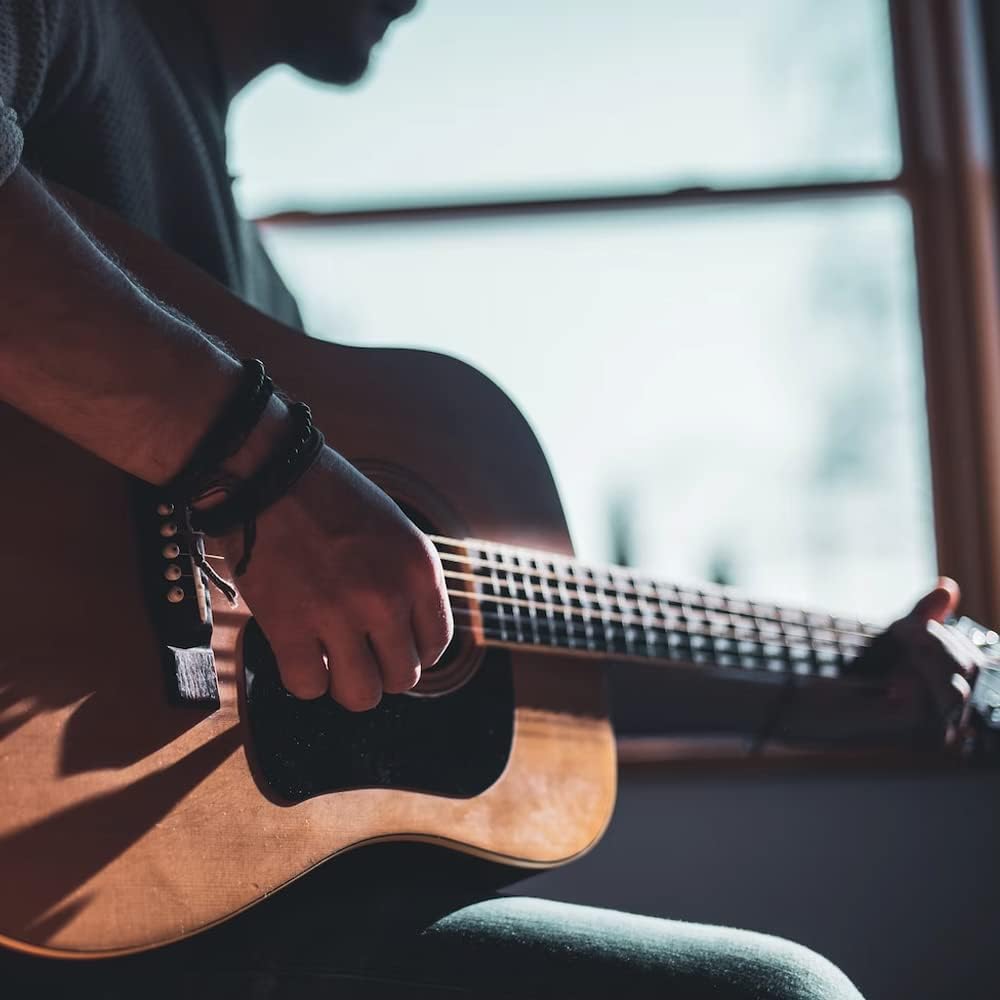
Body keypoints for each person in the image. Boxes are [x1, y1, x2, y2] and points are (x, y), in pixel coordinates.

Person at [0, 2, 977, 997]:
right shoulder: (74, 20)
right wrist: (264, 474)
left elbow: (468, 650)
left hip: (186, 888)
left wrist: (815, 681)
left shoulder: (256, 295)